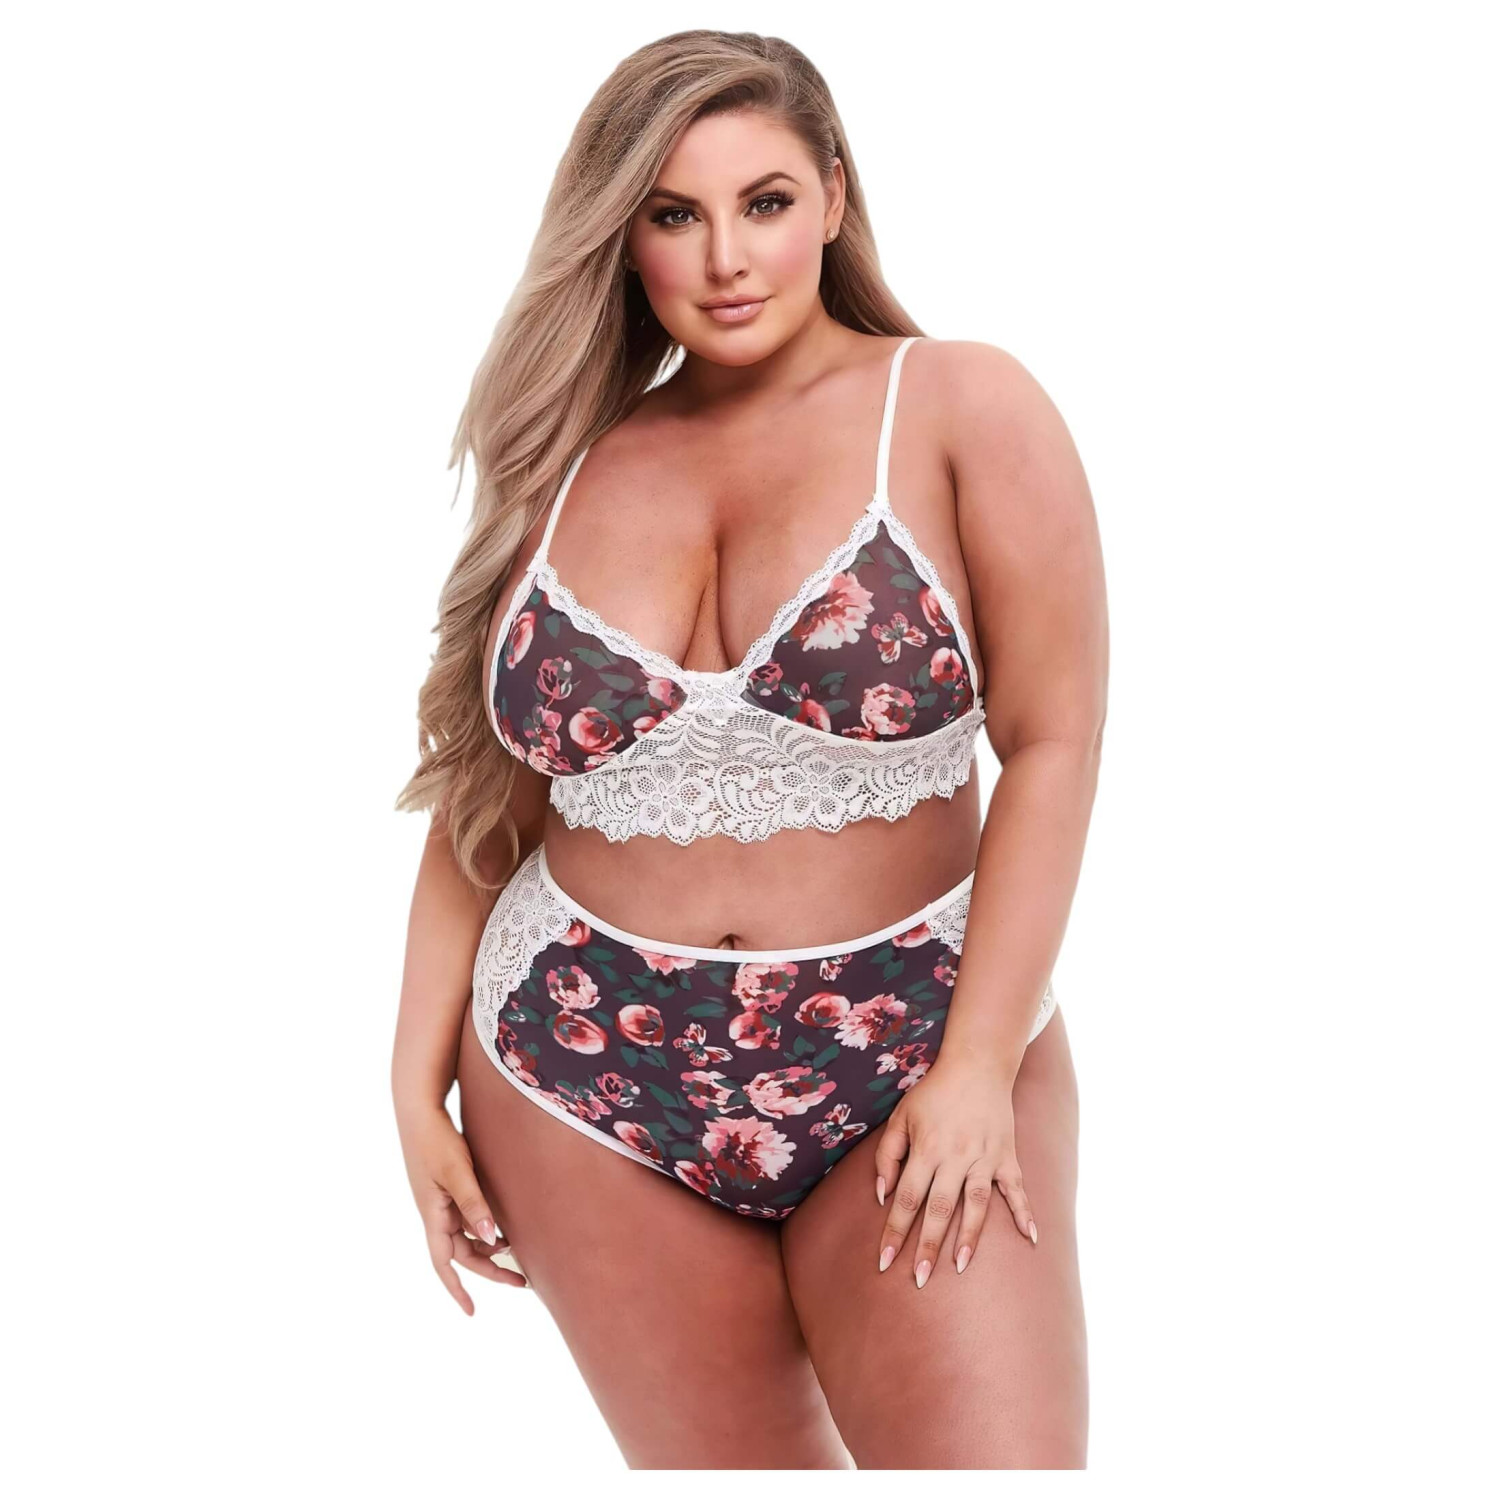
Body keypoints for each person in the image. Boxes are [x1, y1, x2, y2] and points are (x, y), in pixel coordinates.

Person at [392, 29, 1105, 1470]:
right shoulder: (564, 458)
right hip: (575, 1073)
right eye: (675, 214)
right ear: (622, 235)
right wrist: (411, 1079)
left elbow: (1053, 740)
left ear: (832, 198)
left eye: (765, 202)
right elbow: (490, 799)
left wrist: (977, 1068)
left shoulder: (957, 404)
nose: (726, 258)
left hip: (914, 1044)